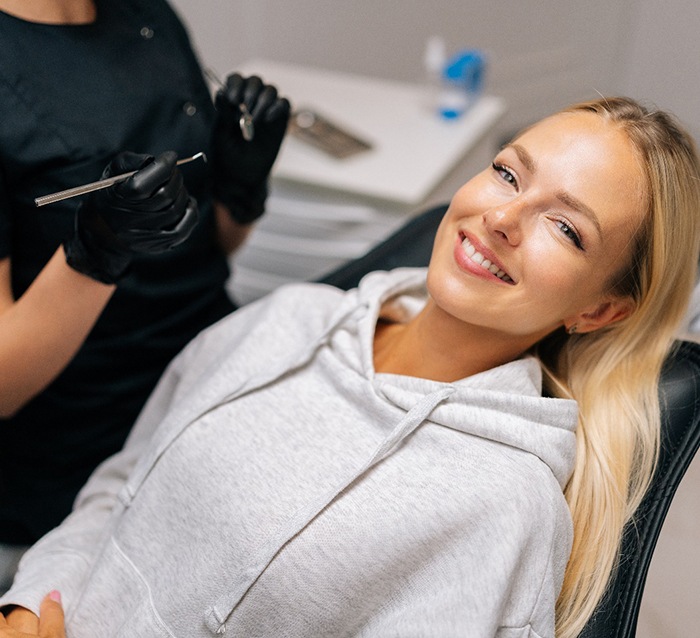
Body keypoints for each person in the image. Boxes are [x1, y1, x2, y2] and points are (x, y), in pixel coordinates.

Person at [1, 96, 699, 638]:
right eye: (508, 172)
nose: (504, 216)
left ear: (600, 312)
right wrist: (34, 604)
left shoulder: (503, 504)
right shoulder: (292, 318)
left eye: (566, 228)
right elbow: (121, 483)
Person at [0, 0, 290, 587]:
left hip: (213, 369)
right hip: (86, 443)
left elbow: (209, 249)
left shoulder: (146, 14)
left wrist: (242, 184)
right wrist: (96, 252)